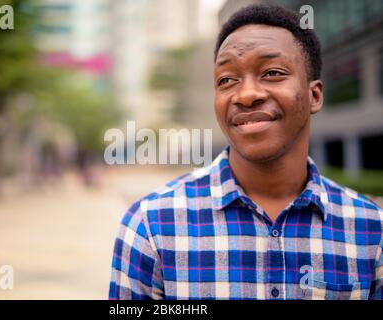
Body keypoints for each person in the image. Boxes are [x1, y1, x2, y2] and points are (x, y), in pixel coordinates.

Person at [109, 4, 383, 300]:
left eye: (272, 72)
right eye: (226, 80)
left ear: (314, 95)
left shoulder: (371, 230)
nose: (246, 94)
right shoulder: (152, 225)